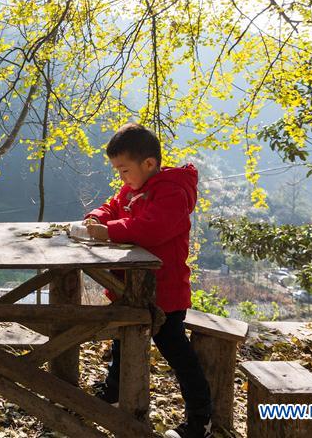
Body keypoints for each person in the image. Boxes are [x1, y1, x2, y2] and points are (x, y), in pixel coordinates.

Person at [83, 122, 213, 438]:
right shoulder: (132, 190)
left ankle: (200, 420)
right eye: (117, 170)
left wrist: (111, 231)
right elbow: (111, 206)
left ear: (149, 164)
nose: (121, 177)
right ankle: (114, 391)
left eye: (124, 169)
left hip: (164, 295)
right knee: (121, 342)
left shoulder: (171, 192)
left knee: (178, 355)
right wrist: (97, 218)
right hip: (128, 290)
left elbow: (151, 228)